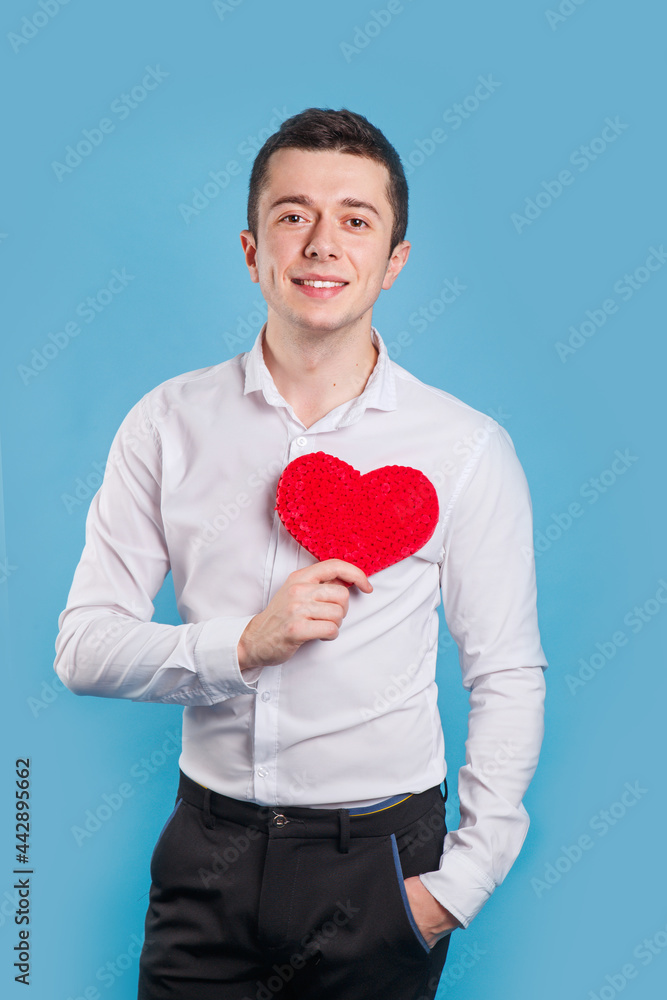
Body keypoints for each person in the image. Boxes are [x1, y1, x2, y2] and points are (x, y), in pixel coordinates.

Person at [54, 107, 548, 1000]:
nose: (322, 243)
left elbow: (506, 673)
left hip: (382, 865)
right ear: (252, 250)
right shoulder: (166, 424)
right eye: (293, 215)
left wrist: (458, 887)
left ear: (393, 260)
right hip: (206, 857)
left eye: (355, 219)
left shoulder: (466, 447)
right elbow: (82, 649)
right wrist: (242, 646)